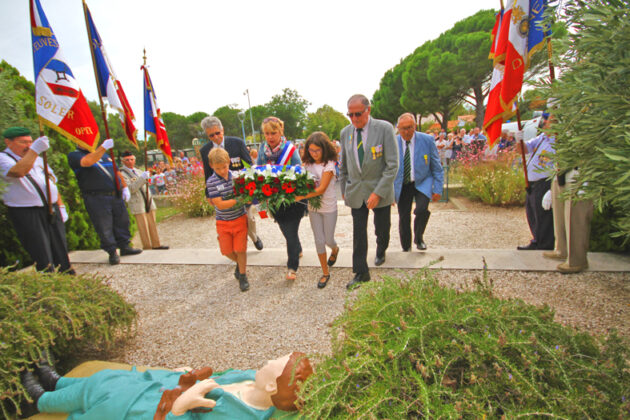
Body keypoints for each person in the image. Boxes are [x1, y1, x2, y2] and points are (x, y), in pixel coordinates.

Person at [20, 352, 313, 419]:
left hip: (161, 411)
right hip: (170, 386)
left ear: (273, 388)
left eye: (272, 364)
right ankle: (58, 383)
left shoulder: (240, 415)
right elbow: (221, 375)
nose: (265, 362)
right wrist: (190, 376)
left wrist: (181, 408)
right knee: (112, 378)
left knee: (107, 393)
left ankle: (40, 400)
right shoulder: (249, 377)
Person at [339, 94, 399, 290]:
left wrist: (378, 193)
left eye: (358, 114)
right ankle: (361, 272)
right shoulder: (346, 132)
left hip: (379, 190)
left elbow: (392, 165)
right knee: (358, 233)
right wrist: (344, 189)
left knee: (381, 227)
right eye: (351, 115)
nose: (354, 119)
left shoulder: (384, 129)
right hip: (356, 191)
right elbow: (344, 166)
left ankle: (381, 248)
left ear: (368, 110)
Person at [0, 127, 73, 273]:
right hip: (27, 211)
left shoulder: (38, 159)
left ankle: (67, 277)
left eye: (30, 142)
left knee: (60, 249)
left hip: (51, 208)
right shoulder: (3, 158)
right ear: (8, 142)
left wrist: (61, 205)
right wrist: (35, 150)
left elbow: (51, 183)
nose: (28, 146)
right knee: (41, 250)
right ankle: (49, 283)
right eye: (23, 142)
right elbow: (18, 171)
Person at [67, 139, 141, 265]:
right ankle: (112, 252)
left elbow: (116, 171)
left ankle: (125, 246)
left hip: (114, 194)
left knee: (122, 221)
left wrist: (124, 187)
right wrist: (103, 147)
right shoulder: (75, 155)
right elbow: (87, 162)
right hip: (96, 197)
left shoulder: (105, 156)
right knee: (104, 225)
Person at [200, 116, 263, 251]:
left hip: (241, 188)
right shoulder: (205, 150)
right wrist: (208, 194)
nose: (216, 137)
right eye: (211, 135)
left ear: (223, 130)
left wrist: (249, 186)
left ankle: (254, 237)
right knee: (232, 220)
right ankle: (239, 249)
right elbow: (207, 173)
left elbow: (248, 166)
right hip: (222, 191)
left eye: (218, 133)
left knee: (248, 218)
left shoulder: (237, 143)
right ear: (207, 135)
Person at [256, 117, 305, 281]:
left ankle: (292, 267)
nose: (270, 137)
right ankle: (297, 248)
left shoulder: (290, 149)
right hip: (274, 199)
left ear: (281, 131)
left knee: (290, 232)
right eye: (267, 133)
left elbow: (299, 169)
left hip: (292, 199)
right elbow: (258, 171)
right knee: (286, 230)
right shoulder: (263, 149)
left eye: (273, 133)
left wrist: (281, 172)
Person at [295, 132, 340, 289]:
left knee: (329, 240)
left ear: (324, 149)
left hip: (328, 207)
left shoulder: (329, 165)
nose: (314, 154)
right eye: (311, 150)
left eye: (317, 150)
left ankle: (335, 249)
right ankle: (325, 272)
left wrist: (300, 196)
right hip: (313, 208)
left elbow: (321, 189)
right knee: (319, 241)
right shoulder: (307, 165)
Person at [393, 113, 444, 252]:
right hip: (403, 183)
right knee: (404, 216)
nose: (406, 131)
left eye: (409, 127)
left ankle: (419, 237)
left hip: (422, 181)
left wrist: (438, 189)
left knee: (421, 209)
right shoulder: (393, 142)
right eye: (402, 128)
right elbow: (387, 169)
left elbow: (437, 167)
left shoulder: (427, 140)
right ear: (398, 128)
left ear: (414, 126)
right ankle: (406, 246)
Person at [206, 148, 250, 292]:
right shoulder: (211, 181)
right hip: (223, 221)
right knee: (226, 251)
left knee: (241, 249)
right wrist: (238, 200)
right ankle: (240, 264)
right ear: (212, 166)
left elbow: (247, 192)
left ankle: (243, 275)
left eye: (224, 167)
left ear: (229, 162)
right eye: (218, 168)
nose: (223, 171)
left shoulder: (237, 177)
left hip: (239, 218)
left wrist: (245, 198)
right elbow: (219, 204)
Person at [515, 113, 555, 251]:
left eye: (547, 120)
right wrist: (518, 140)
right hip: (532, 183)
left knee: (543, 216)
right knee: (532, 214)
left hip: (545, 182)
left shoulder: (557, 142)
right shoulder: (542, 138)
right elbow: (523, 149)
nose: (544, 122)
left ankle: (544, 245)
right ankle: (537, 240)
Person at [542, 168, 593, 273]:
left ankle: (577, 260)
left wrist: (587, 180)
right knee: (559, 218)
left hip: (577, 176)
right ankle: (561, 249)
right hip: (560, 175)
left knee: (576, 219)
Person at [119, 151, 169, 251]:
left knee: (152, 223)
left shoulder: (138, 171)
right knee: (143, 226)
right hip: (137, 201)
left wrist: (146, 178)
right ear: (122, 161)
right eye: (127, 160)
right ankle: (147, 246)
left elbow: (147, 184)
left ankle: (156, 244)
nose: (130, 162)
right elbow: (131, 188)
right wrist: (142, 179)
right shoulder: (122, 174)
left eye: (132, 159)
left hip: (148, 200)